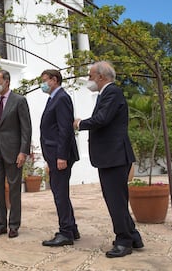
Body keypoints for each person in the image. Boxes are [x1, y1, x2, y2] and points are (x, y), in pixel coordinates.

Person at [73, 61, 144, 258]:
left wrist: (80, 123)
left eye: (90, 76)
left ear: (101, 77)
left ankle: (123, 241)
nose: (88, 79)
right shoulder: (106, 94)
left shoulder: (112, 92)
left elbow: (102, 119)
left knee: (115, 201)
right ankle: (134, 236)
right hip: (110, 156)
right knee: (117, 199)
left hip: (115, 156)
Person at [0, 69, 32, 238]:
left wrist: (23, 152)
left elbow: (26, 128)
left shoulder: (19, 101)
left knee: (13, 188)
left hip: (13, 151)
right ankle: (1, 224)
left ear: (7, 82)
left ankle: (14, 225)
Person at [39, 69, 80, 247]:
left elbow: (65, 129)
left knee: (60, 194)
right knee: (60, 192)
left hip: (59, 155)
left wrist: (62, 156)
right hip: (54, 154)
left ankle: (65, 233)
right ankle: (71, 229)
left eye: (45, 80)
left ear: (54, 80)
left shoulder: (62, 98)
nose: (43, 84)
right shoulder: (54, 98)